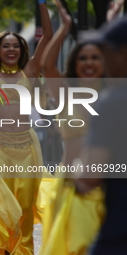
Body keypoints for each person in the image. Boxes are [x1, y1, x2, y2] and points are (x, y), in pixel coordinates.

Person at [0, 0, 52, 254]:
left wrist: (42, 3)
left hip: (26, 149)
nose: (12, 49)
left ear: (22, 49)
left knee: (24, 210)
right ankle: (3, 249)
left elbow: (47, 34)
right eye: (6, 46)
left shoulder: (31, 70)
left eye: (16, 45)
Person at [39, 1, 123, 254]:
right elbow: (47, 67)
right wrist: (64, 27)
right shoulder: (66, 95)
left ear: (105, 61)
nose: (89, 62)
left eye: (95, 57)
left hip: (107, 190)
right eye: (83, 57)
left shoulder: (114, 94)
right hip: (70, 188)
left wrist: (112, 23)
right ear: (75, 64)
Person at [74, 15, 127, 255]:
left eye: (106, 52)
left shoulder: (112, 103)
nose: (103, 60)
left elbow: (89, 177)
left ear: (123, 53)